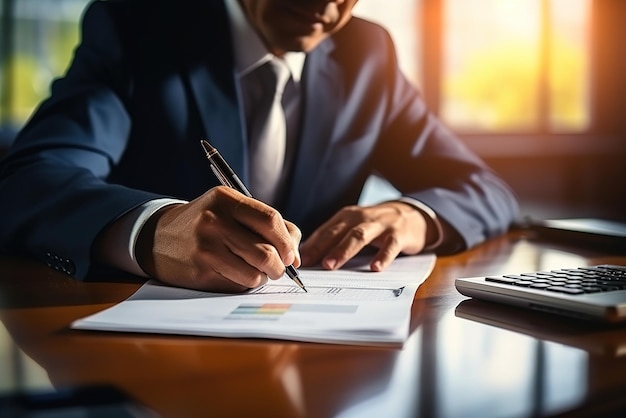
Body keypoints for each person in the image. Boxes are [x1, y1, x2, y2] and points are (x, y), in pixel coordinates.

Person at [0, 0, 518, 292]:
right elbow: (28, 180)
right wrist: (152, 229)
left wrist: (412, 215)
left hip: (312, 353)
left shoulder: (366, 53)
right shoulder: (138, 26)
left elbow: (483, 188)